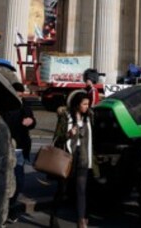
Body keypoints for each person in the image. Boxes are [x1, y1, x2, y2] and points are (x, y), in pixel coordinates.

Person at [49, 93, 93, 228]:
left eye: (88, 104)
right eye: (84, 104)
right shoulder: (65, 117)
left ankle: (80, 221)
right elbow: (56, 138)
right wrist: (68, 134)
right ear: (77, 104)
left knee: (81, 189)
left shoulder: (89, 117)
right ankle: (53, 216)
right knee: (62, 189)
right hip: (68, 157)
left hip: (83, 157)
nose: (87, 107)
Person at [4, 82, 36, 222]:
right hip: (8, 147)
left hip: (21, 148)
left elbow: (33, 121)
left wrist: (31, 121)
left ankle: (10, 207)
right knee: (7, 181)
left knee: (19, 181)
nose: (20, 97)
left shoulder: (25, 106)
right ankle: (6, 210)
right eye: (18, 94)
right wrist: (20, 122)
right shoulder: (5, 106)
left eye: (22, 95)